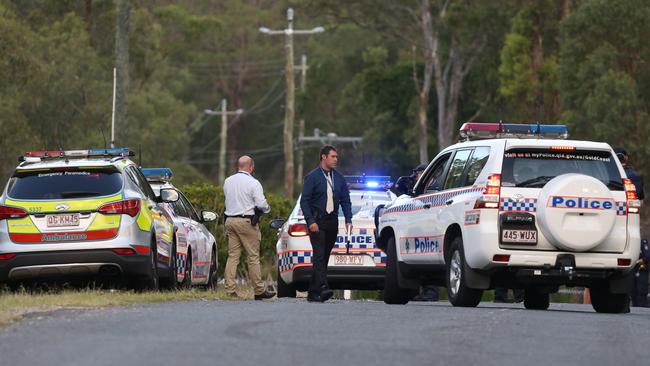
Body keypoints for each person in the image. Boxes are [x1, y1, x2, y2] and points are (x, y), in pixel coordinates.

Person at [300, 145, 352, 303]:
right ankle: (323, 287)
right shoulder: (312, 177)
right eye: (333, 157)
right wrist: (310, 221)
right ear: (323, 157)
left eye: (336, 157)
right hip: (317, 222)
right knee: (319, 254)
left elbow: (345, 200)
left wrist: (349, 219)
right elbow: (305, 201)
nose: (336, 159)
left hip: (332, 222)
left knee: (324, 256)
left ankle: (312, 293)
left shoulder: (339, 178)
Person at [223, 155, 275, 300]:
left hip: (230, 221)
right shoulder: (254, 183)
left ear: (238, 166)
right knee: (252, 257)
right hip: (246, 222)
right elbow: (261, 204)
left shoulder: (228, 181)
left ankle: (230, 290)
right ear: (251, 167)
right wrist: (267, 209)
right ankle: (258, 290)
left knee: (233, 256)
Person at [632, 239, 649, 307]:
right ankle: (635, 307)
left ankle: (641, 308)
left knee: (641, 291)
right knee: (633, 292)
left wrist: (638, 261)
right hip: (632, 270)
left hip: (641, 270)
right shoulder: (631, 243)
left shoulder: (642, 242)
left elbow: (647, 256)